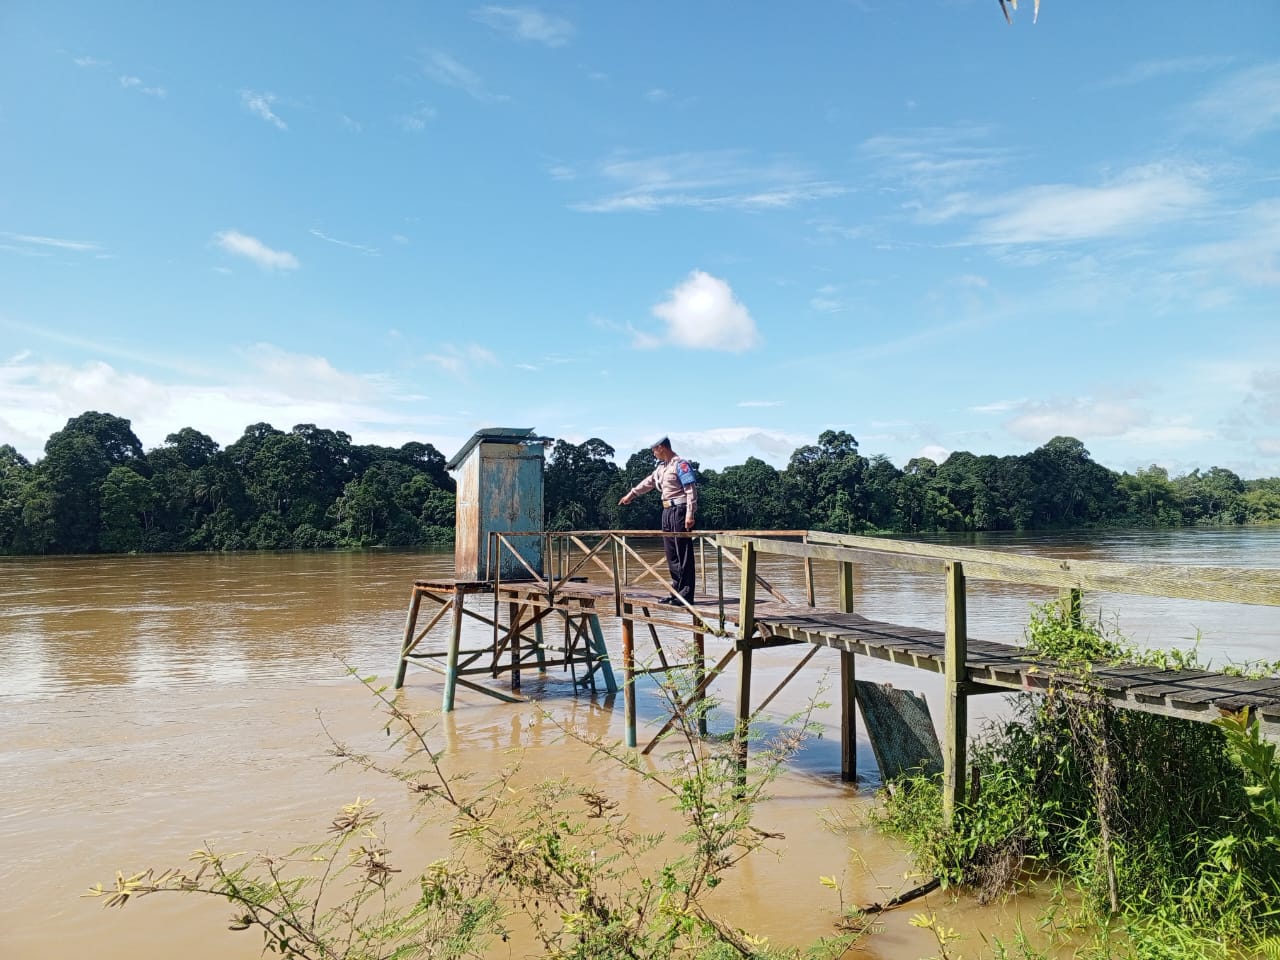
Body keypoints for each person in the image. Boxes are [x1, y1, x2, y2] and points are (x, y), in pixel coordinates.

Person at [618, 436, 698, 604]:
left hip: (680, 511)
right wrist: (631, 495)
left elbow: (690, 490)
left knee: (682, 553)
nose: (654, 454)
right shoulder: (661, 468)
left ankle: (686, 595)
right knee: (671, 555)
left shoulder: (680, 464)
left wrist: (690, 513)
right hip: (667, 511)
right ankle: (676, 592)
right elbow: (648, 482)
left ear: (661, 447)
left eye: (654, 450)